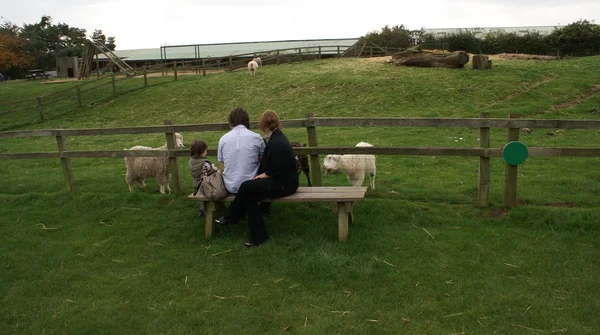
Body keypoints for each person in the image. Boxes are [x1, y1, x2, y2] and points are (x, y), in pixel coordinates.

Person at [216, 110, 299, 247]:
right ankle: (259, 236)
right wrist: (263, 175)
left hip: (285, 184)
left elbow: (276, 169)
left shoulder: (276, 142)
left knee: (247, 186)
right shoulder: (277, 139)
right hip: (285, 182)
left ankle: (232, 216)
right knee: (249, 195)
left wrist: (262, 176)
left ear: (262, 125)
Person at [217, 107, 265, 194]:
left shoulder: (223, 139)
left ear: (231, 121)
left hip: (230, 186)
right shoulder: (257, 137)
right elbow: (263, 163)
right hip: (252, 185)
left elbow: (223, 167)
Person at [189, 139, 215, 216]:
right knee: (206, 196)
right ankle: (209, 210)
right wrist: (214, 168)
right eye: (205, 150)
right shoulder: (205, 163)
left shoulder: (191, 160)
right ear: (202, 151)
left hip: (196, 183)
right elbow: (210, 171)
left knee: (200, 198)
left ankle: (201, 211)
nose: (206, 151)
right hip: (205, 184)